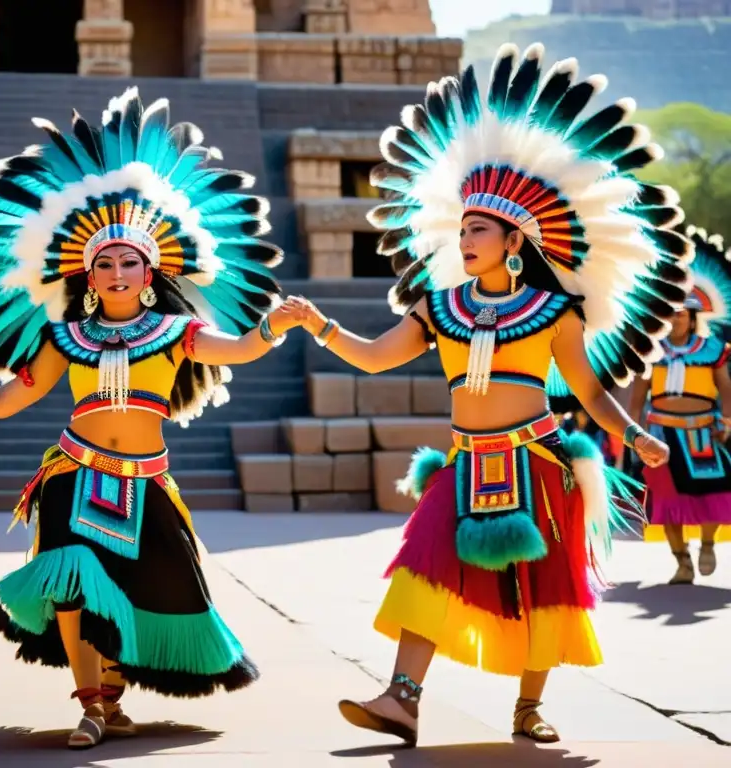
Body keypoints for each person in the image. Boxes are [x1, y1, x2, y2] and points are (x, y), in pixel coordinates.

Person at [282, 42, 691, 745]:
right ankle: (402, 700)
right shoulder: (439, 306)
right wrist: (318, 325)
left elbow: (588, 390)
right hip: (464, 464)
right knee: (424, 566)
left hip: (537, 461)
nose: (465, 236)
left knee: (544, 590)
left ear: (513, 242)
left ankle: (529, 709)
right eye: (462, 226)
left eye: (479, 229)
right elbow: (377, 359)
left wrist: (635, 431)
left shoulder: (555, 311)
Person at [0, 87, 293, 749]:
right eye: (103, 263)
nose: (115, 270)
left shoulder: (176, 330)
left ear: (149, 273)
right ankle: (87, 704)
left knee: (140, 589)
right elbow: (9, 399)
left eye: (128, 262)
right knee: (75, 582)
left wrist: (273, 327)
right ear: (88, 277)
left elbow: (242, 347)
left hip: (147, 483)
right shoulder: (64, 338)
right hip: (72, 474)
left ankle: (111, 699)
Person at [629, 226, 731, 584]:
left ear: (693, 316)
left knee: (715, 491)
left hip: (703, 430)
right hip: (661, 432)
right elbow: (638, 393)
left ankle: (706, 544)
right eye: (672, 314)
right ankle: (682, 561)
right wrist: (632, 431)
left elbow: (725, 386)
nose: (677, 319)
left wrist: (728, 421)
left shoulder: (712, 349)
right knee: (666, 497)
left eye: (683, 314)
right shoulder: (651, 350)